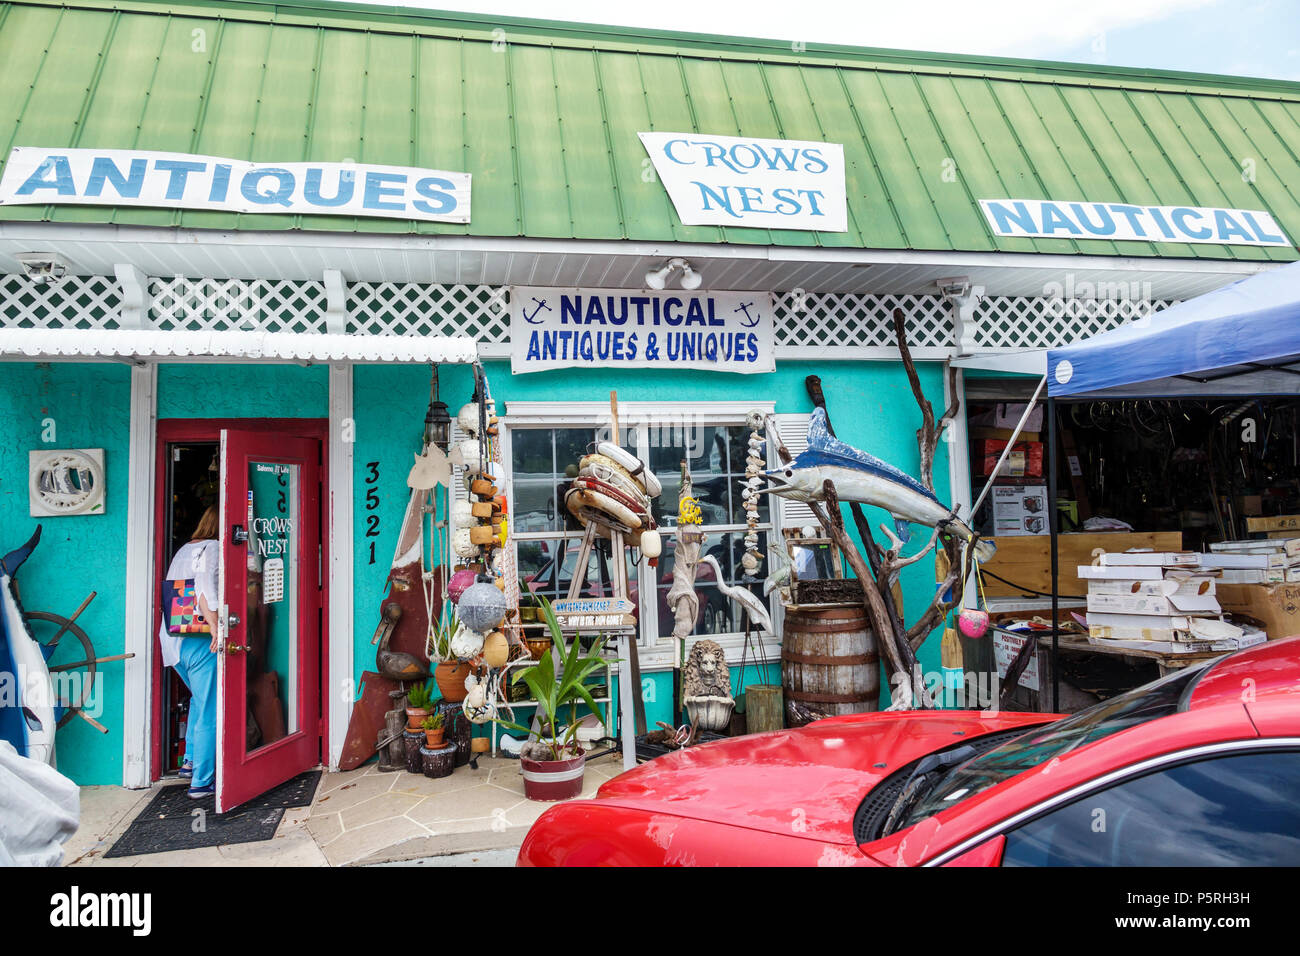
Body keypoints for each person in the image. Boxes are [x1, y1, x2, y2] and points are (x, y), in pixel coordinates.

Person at [159, 506, 220, 798]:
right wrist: (216, 626)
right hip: (198, 639)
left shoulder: (185, 549)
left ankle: (190, 760)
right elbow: (204, 588)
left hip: (173, 640)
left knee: (199, 698)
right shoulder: (214, 547)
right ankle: (202, 781)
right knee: (210, 707)